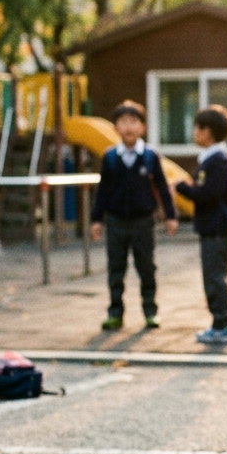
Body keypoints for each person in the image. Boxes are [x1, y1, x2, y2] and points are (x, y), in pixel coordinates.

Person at [90, 100, 179, 331]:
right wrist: (96, 220)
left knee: (146, 267)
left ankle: (150, 310)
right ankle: (115, 312)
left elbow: (161, 186)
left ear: (142, 127)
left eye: (133, 122)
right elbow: (103, 191)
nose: (128, 127)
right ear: (115, 127)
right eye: (123, 122)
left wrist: (171, 215)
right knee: (115, 268)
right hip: (116, 220)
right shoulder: (110, 157)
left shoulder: (150, 156)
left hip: (143, 220)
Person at [174, 105, 227, 344]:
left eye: (197, 128)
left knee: (214, 277)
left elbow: (209, 194)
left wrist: (183, 188)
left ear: (207, 132)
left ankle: (223, 323)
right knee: (215, 276)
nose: (195, 133)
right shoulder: (214, 159)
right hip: (214, 227)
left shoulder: (217, 161)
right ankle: (223, 321)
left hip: (216, 228)